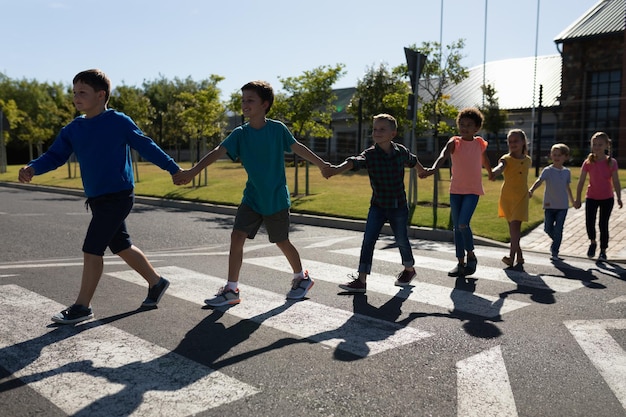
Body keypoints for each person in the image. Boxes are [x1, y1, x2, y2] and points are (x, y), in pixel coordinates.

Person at [18, 69, 183, 325]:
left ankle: (82, 307)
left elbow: (146, 145)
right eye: (74, 92)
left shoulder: (118, 121)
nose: (76, 97)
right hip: (97, 198)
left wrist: (173, 168)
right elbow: (54, 156)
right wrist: (33, 167)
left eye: (82, 92)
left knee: (92, 248)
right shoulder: (74, 128)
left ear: (101, 95)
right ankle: (157, 282)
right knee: (120, 245)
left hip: (118, 195)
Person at [173, 80, 331, 307]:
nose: (245, 104)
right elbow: (218, 151)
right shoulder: (240, 134)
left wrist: (322, 164)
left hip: (275, 198)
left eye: (250, 100)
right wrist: (193, 171)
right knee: (237, 237)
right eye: (243, 100)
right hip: (253, 197)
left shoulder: (277, 130)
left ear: (265, 104)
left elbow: (298, 147)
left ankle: (301, 278)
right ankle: (231, 289)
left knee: (282, 241)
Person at [325, 113, 427, 293]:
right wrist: (335, 170)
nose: (377, 132)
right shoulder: (370, 155)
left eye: (382, 129)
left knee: (401, 239)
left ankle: (409, 269)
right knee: (368, 240)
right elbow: (354, 162)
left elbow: (413, 159)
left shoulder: (401, 152)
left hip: (398, 206)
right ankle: (361, 280)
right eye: (374, 129)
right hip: (378, 206)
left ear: (393, 134)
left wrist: (421, 171)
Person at [422, 107, 493, 277]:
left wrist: (490, 172)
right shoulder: (455, 142)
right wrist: (433, 168)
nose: (464, 127)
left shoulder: (479, 143)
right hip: (456, 190)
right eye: (462, 124)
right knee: (457, 228)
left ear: (476, 128)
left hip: (473, 190)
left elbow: (484, 158)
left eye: (469, 125)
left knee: (463, 224)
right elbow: (443, 155)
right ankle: (460, 263)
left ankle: (471, 255)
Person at [574, 132, 622, 260]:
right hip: (591, 197)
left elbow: (616, 181)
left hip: (607, 198)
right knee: (590, 222)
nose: (597, 147)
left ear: (606, 145)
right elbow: (581, 181)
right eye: (594, 144)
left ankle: (603, 249)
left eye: (600, 145)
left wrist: (619, 197)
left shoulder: (612, 162)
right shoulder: (588, 162)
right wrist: (578, 198)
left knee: (603, 224)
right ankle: (593, 242)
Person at [528, 143, 576, 261]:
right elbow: (539, 181)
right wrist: (532, 190)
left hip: (562, 206)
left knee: (559, 228)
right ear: (550, 156)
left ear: (565, 157)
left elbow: (567, 187)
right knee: (548, 228)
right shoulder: (547, 170)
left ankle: (555, 251)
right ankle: (557, 239)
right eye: (554, 155)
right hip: (549, 205)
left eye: (559, 155)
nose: (556, 157)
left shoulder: (566, 172)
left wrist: (572, 201)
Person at [491, 129, 531, 268]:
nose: (513, 144)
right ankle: (520, 257)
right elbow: (500, 167)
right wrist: (494, 173)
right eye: (510, 141)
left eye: (516, 141)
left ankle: (511, 257)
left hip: (521, 199)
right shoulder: (506, 159)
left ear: (523, 142)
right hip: (507, 198)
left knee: (515, 229)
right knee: (513, 231)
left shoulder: (528, 160)